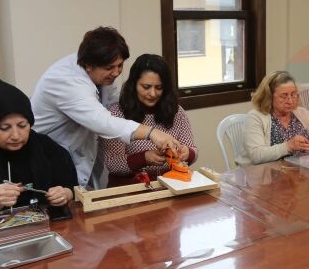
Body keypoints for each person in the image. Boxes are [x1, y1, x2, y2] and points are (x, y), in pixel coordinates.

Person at [31, 27, 183, 188]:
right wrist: (152, 133)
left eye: (120, 65)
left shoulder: (100, 75)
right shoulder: (67, 81)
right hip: (49, 155)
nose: (116, 72)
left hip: (79, 155)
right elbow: (103, 121)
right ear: (89, 65)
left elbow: (113, 110)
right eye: (110, 68)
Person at [0, 78, 78, 217]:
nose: (16, 135)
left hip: (48, 223)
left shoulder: (45, 146)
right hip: (0, 227)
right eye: (5, 128)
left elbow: (73, 186)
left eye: (22, 125)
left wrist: (65, 194)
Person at [102, 54, 198, 186]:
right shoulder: (117, 114)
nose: (153, 94)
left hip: (170, 184)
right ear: (134, 85)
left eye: (159, 88)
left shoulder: (176, 111)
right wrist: (144, 158)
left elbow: (193, 150)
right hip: (130, 188)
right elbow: (113, 164)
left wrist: (187, 153)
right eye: (146, 87)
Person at [235, 71, 309, 166]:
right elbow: (256, 156)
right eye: (284, 96)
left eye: (293, 94)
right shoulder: (255, 117)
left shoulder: (302, 113)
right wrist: (288, 146)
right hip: (263, 173)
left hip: (297, 171)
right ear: (269, 97)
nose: (290, 101)